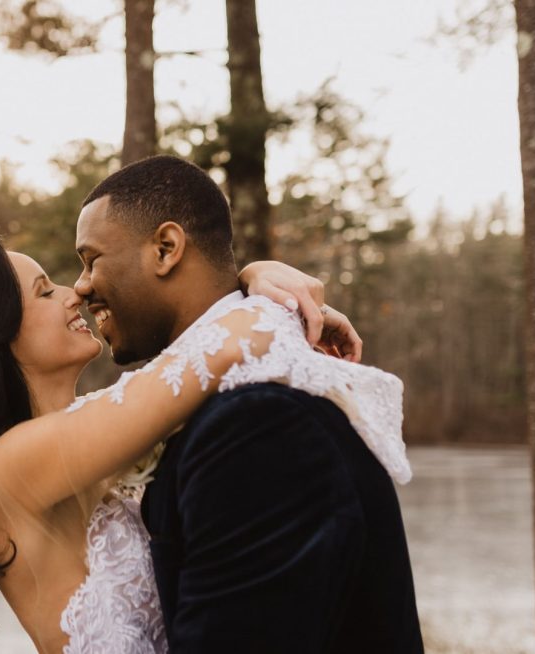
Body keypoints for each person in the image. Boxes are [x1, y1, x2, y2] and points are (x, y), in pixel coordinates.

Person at [0, 158, 415, 654]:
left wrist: (250, 276)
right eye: (45, 291)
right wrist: (261, 288)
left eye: (77, 271)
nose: (75, 292)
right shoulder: (8, 467)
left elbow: (192, 363)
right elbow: (222, 346)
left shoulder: (98, 431)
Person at [72, 155, 423, 652]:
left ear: (166, 248)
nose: (80, 286)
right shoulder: (208, 402)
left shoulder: (257, 425)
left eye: (91, 259)